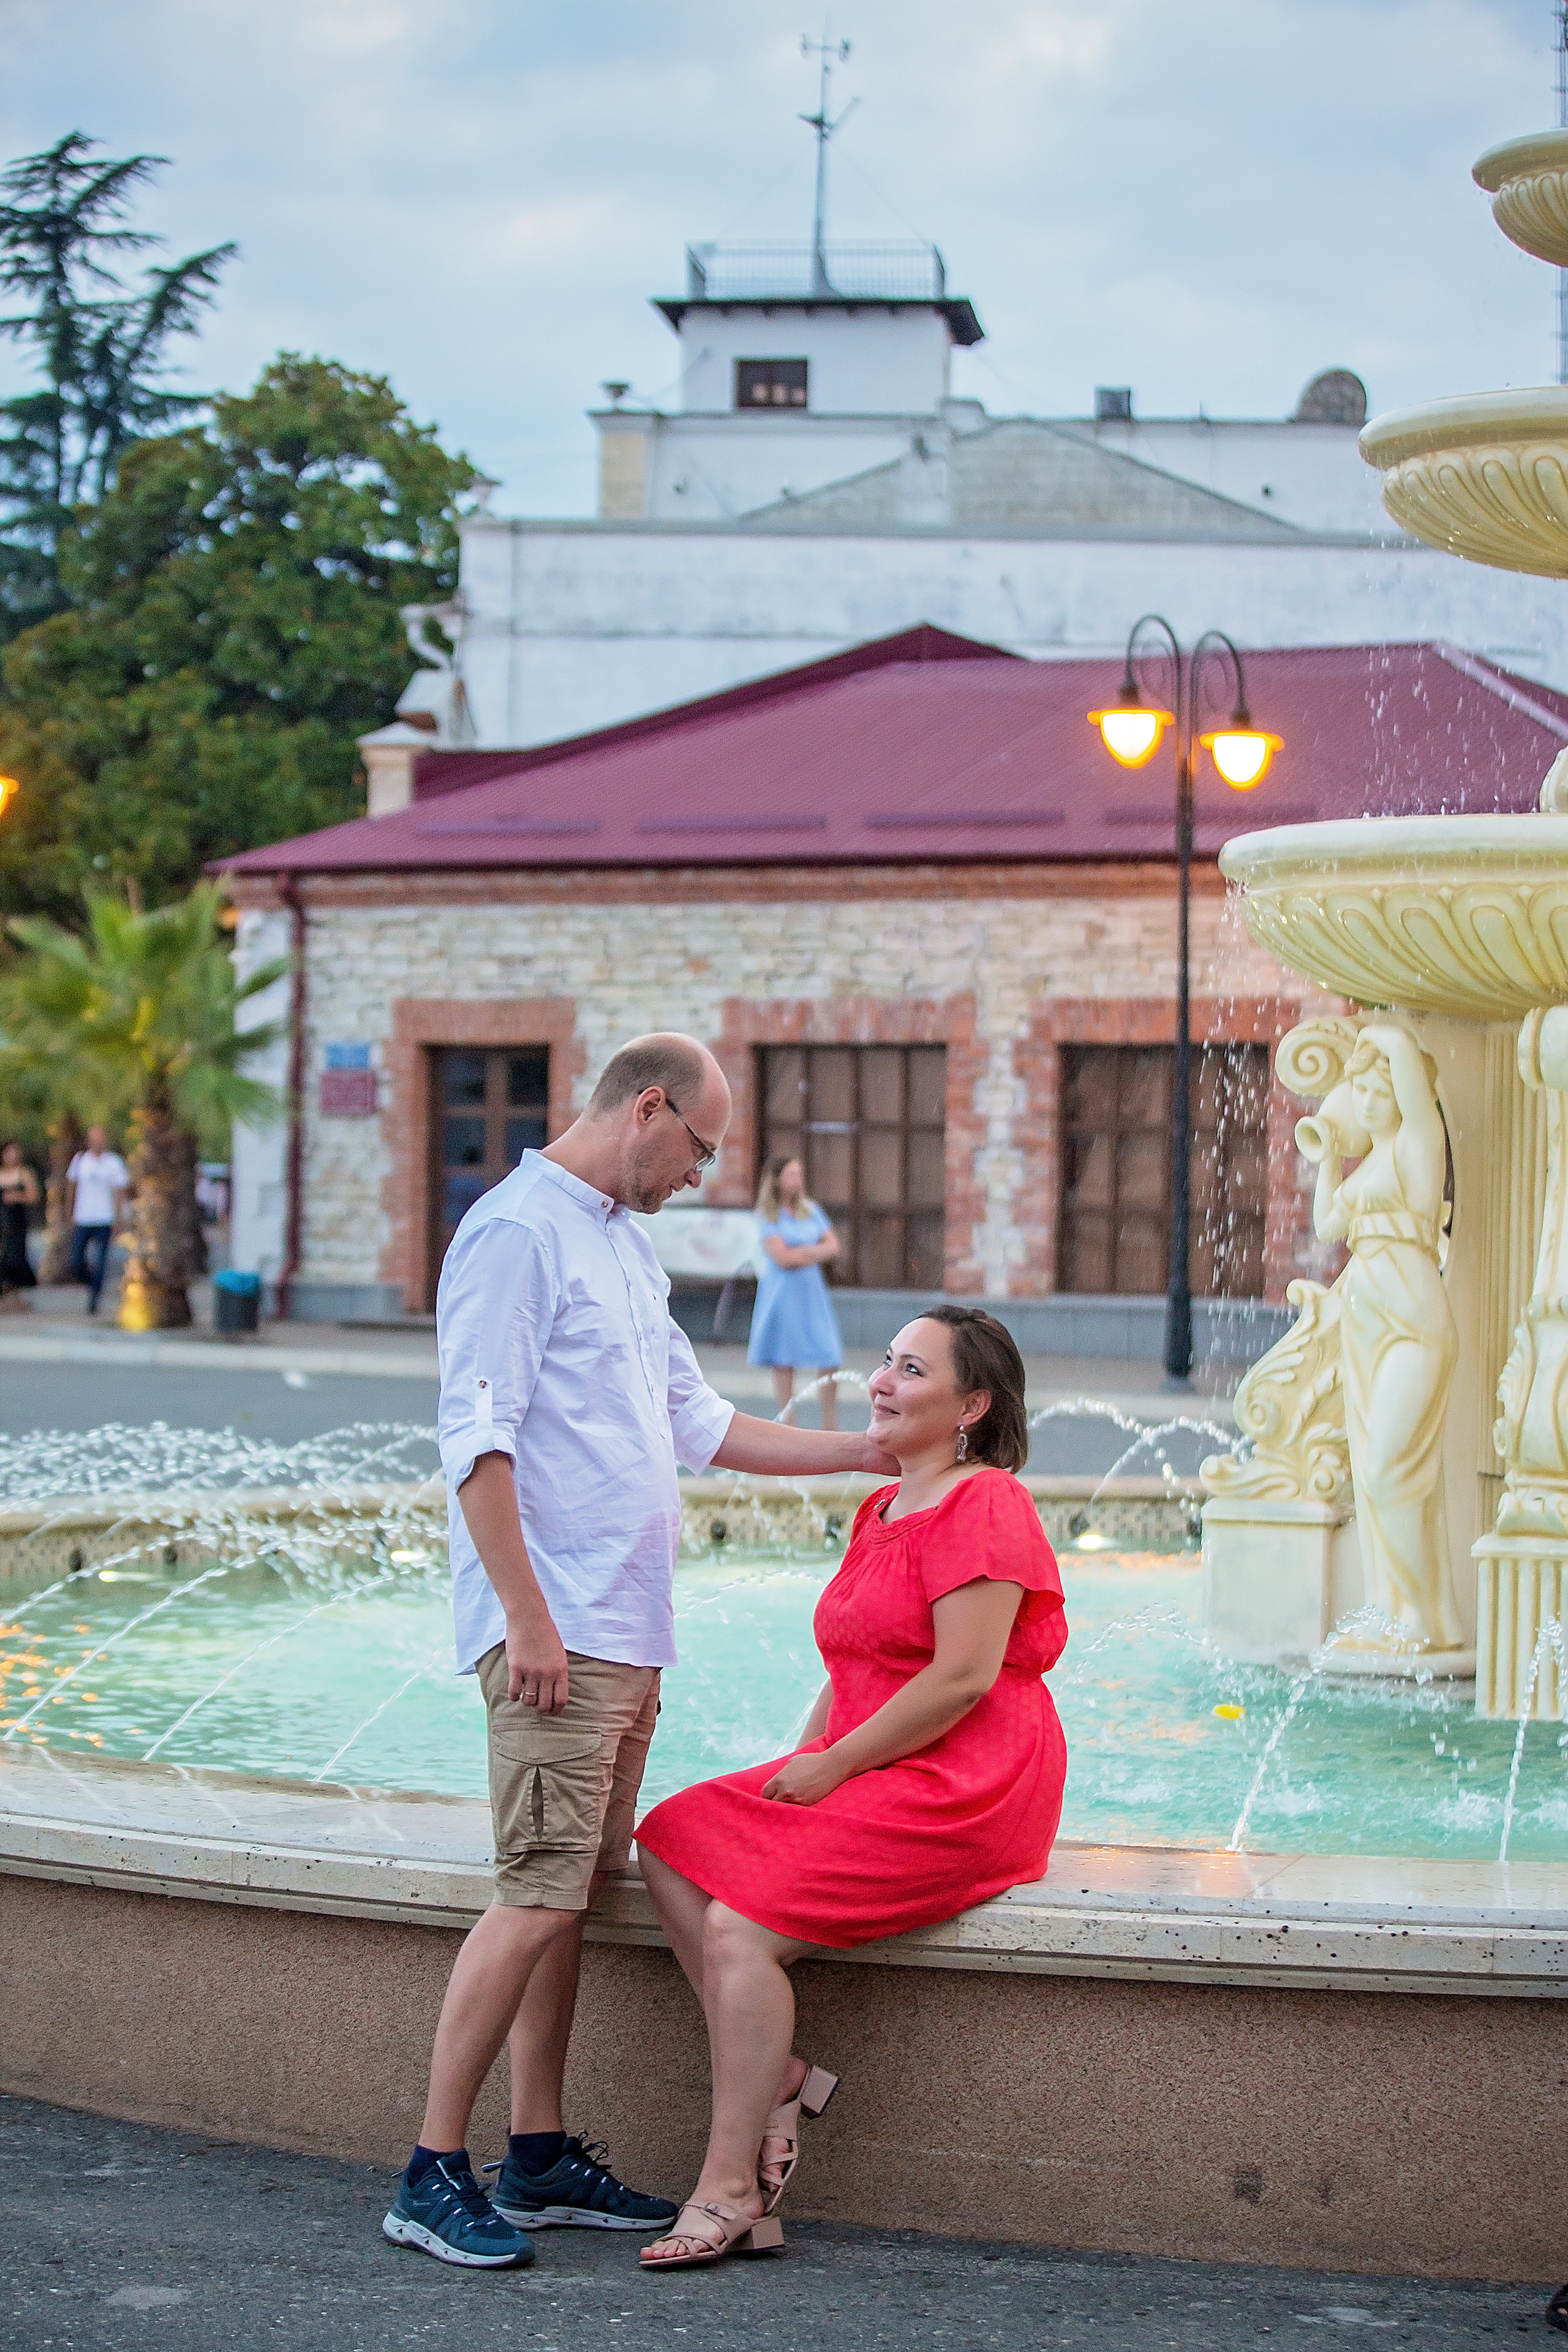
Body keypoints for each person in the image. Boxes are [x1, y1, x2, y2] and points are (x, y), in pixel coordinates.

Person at [382, 1033, 899, 2273]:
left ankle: (540, 2153)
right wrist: (527, 1618)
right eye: (699, 1149)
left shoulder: (616, 1241)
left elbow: (696, 1422)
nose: (701, 1177)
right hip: (556, 1632)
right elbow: (477, 1439)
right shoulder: (515, 1234)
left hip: (623, 1632)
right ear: (647, 1108)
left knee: (569, 1899)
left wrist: (858, 1456)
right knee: (531, 1895)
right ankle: (429, 2171)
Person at [635, 1305, 1066, 2271]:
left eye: (912, 1371)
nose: (881, 1381)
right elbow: (858, 1658)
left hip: (968, 1775)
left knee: (740, 1927)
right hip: (875, 1755)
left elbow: (961, 1677)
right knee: (669, 1838)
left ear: (973, 1405)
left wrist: (833, 1768)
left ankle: (731, 2188)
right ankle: (778, 2074)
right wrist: (799, 1765)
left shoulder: (986, 1502)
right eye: (885, 1362)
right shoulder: (880, 1508)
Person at [747, 1155, 843, 1428]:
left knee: (829, 1353)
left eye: (799, 1174)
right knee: (784, 1357)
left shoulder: (811, 1210)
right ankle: (789, 1422)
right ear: (776, 1180)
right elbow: (782, 1258)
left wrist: (801, 1252)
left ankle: (830, 1423)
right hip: (783, 1294)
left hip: (811, 1292)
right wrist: (813, 1252)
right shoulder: (769, 1215)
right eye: (791, 1174)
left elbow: (833, 1247)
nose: (797, 1180)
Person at [66, 1126, 129, 1316]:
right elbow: (72, 1188)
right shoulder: (79, 1161)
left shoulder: (114, 1163)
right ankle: (92, 1283)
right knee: (76, 1260)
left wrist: (118, 1219)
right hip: (83, 1218)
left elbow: (119, 1193)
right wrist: (70, 1213)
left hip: (104, 1218)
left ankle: (95, 1297)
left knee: (101, 1261)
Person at [0, 1142, 40, 1300]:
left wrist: (17, 1196)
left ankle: (17, 1290)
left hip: (16, 1222)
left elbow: (34, 1196)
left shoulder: (25, 1173)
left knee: (15, 1257)